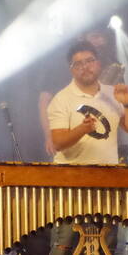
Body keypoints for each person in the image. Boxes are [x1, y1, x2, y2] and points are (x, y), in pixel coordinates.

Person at [35, 38, 128, 255]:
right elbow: (57, 142)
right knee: (63, 242)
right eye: (78, 64)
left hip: (105, 178)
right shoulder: (62, 99)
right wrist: (82, 129)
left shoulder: (111, 93)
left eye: (89, 61)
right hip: (70, 178)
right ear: (71, 69)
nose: (85, 67)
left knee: (108, 241)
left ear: (98, 64)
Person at [38, 28, 115, 159]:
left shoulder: (110, 64)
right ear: (81, 37)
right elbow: (44, 101)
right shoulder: (62, 65)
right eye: (95, 36)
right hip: (69, 142)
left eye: (103, 37)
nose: (101, 41)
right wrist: (49, 135)